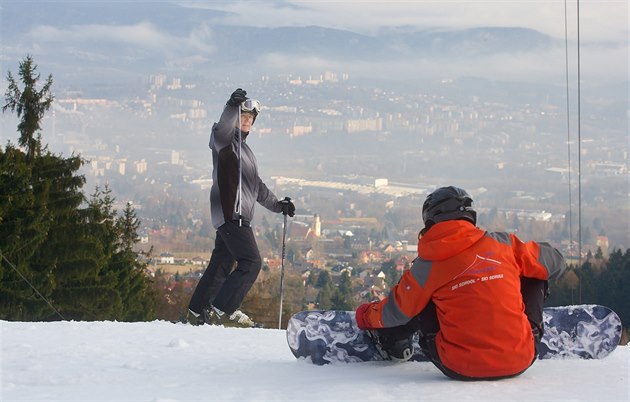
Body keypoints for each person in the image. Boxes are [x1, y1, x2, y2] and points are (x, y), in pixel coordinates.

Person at [355, 186, 566, 380]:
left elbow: (396, 311)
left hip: (458, 366)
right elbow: (556, 263)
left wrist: (364, 315)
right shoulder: (503, 244)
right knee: (535, 271)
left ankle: (393, 344)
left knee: (421, 294)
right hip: (520, 359)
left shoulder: (427, 265)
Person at [187, 88, 295, 327]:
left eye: (250, 118)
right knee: (251, 262)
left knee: (221, 265)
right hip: (231, 213)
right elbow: (222, 128)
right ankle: (224, 310)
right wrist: (229, 106)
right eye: (242, 116)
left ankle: (196, 312)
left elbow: (256, 186)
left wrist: (279, 205)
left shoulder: (246, 152)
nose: (246, 120)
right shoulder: (225, 141)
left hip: (236, 216)